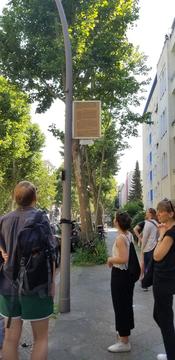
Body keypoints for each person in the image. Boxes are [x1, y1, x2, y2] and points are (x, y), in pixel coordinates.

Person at [0, 181, 56, 360]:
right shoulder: (41, 219)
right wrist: (52, 283)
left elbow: (3, 251)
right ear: (35, 197)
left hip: (8, 286)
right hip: (36, 286)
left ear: (15, 198)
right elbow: (51, 253)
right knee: (41, 339)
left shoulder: (3, 220)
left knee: (9, 340)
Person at [107, 211, 135, 353]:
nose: (113, 219)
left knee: (120, 306)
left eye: (115, 218)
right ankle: (124, 334)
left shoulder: (120, 238)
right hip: (126, 276)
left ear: (117, 222)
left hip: (120, 275)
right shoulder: (128, 235)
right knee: (125, 304)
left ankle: (124, 342)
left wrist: (110, 259)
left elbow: (123, 259)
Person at [153, 199, 175, 360]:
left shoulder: (170, 233)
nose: (158, 214)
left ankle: (171, 353)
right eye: (158, 211)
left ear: (171, 214)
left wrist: (160, 235)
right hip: (166, 279)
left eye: (161, 211)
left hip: (164, 280)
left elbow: (156, 255)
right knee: (159, 315)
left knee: (164, 318)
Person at [141, 208, 159, 289]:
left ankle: (145, 284)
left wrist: (142, 248)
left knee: (147, 266)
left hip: (148, 248)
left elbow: (145, 238)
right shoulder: (156, 223)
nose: (146, 213)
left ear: (150, 214)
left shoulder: (148, 223)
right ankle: (154, 282)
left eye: (147, 212)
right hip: (155, 246)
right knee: (153, 266)